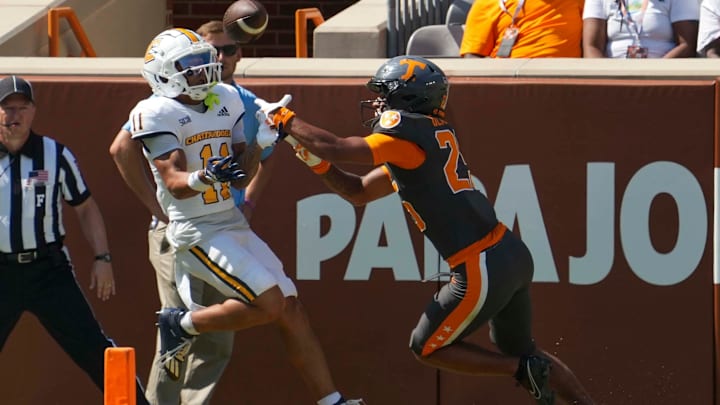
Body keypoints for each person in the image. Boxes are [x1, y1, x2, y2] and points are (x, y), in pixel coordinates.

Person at [256, 56, 595, 405]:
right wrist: (310, 156)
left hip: (480, 263)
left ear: (408, 98)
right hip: (508, 251)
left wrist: (287, 120)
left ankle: (520, 369)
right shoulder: (421, 141)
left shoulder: (405, 132)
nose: (378, 103)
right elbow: (357, 192)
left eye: (385, 95)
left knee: (427, 346)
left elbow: (340, 148)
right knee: (523, 351)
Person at [111, 27, 362, 405]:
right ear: (164, 72)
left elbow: (242, 173)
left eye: (203, 61)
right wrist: (204, 176)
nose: (203, 70)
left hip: (230, 220)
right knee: (269, 303)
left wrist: (259, 145)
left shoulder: (225, 97)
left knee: (291, 309)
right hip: (195, 230)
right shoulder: (155, 110)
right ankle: (180, 324)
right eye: (190, 65)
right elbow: (176, 183)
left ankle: (331, 401)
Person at [0, 75, 150, 404]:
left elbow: (85, 208)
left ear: (33, 111)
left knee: (93, 347)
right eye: (7, 108)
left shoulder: (55, 155)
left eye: (22, 108)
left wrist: (103, 258)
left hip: (48, 271)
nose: (15, 116)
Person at [459, 0, 583, 58]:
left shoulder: (581, 2)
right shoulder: (488, 3)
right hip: (509, 83)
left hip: (564, 82)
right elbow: (472, 57)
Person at [583, 0, 698, 58]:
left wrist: (656, 74)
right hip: (612, 78)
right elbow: (591, 46)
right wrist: (609, 79)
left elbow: (687, 44)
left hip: (663, 79)